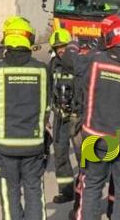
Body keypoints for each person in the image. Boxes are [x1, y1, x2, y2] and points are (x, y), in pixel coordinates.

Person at [64, 18, 120, 220]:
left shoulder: (95, 61)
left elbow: (70, 62)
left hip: (95, 137)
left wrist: (72, 44)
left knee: (91, 187)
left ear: (109, 40)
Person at [0, 16, 49, 220]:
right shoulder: (43, 70)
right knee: (34, 192)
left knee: (10, 194)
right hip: (33, 145)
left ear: (6, 40)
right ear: (29, 40)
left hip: (5, 146)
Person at [48, 28, 79, 203]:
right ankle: (67, 191)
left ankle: (86, 192)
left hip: (76, 117)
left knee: (83, 155)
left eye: (63, 46)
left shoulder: (78, 63)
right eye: (57, 47)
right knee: (60, 154)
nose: (61, 50)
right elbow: (48, 88)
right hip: (60, 117)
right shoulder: (52, 65)